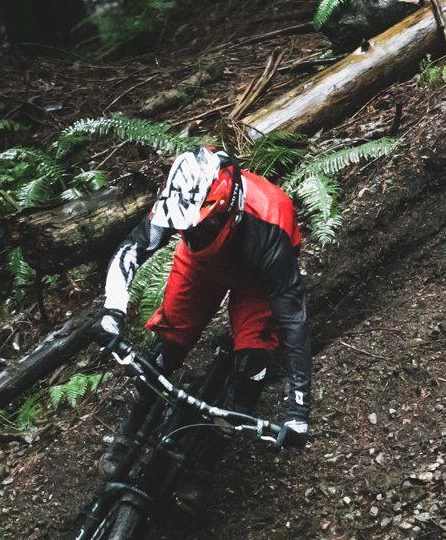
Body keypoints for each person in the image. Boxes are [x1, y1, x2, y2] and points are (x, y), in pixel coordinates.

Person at [95, 146, 310, 501]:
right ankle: (129, 434)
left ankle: (205, 463)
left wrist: (298, 410)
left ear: (226, 208)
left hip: (257, 275)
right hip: (200, 268)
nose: (193, 233)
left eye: (202, 226)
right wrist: (112, 310)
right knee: (166, 345)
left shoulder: (269, 226)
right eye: (186, 228)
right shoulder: (179, 199)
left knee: (252, 364)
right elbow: (131, 249)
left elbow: (293, 319)